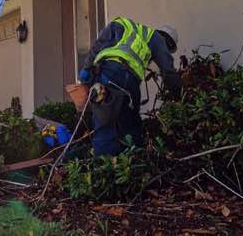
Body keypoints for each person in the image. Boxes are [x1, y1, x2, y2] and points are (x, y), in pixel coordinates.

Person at [78, 17, 182, 157]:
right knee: (123, 124)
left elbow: (99, 42)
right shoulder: (158, 39)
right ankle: (118, 164)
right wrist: (180, 95)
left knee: (114, 119)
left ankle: (116, 164)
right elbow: (168, 72)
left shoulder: (127, 26)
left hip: (108, 74)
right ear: (168, 42)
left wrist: (88, 67)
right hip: (124, 78)